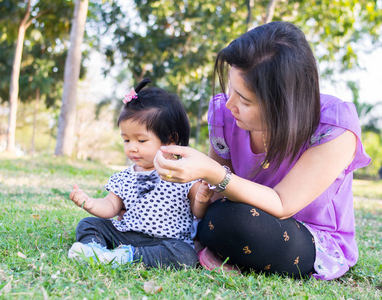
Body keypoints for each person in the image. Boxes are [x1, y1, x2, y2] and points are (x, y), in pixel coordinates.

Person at [154, 21, 371, 280]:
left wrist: (213, 172)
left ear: (285, 105)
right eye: (231, 89)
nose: (231, 104)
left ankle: (221, 251)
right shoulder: (224, 114)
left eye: (244, 100)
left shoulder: (333, 126)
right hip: (238, 212)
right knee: (213, 214)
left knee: (239, 224)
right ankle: (227, 253)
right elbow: (216, 198)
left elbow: (282, 204)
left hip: (308, 235)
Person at [68, 78, 213, 269]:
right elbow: (111, 206)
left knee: (185, 256)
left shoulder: (184, 173)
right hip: (127, 234)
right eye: (126, 140)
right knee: (88, 224)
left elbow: (197, 211)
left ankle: (124, 257)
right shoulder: (124, 177)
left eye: (141, 141)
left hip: (166, 242)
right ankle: (94, 251)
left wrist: (201, 200)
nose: (131, 148)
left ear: (170, 140)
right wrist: (89, 202)